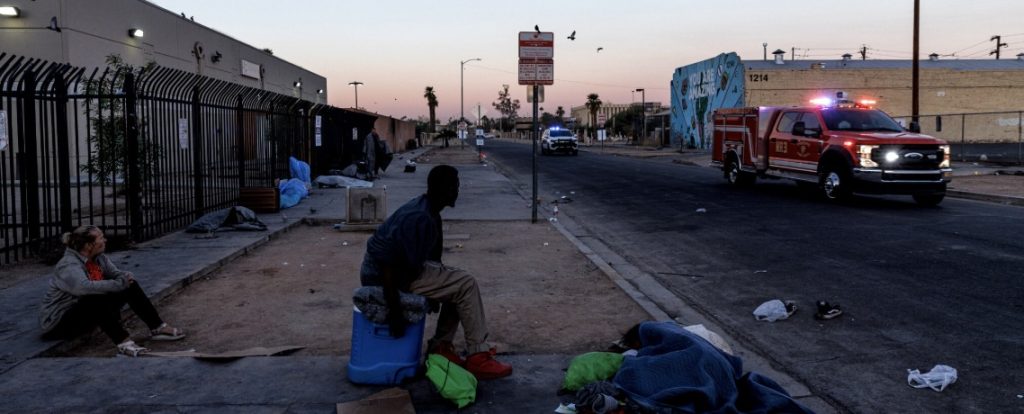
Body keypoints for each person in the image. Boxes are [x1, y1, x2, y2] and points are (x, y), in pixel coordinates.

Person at [360, 165, 513, 380]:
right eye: (455, 186)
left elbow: (434, 260)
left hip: (404, 270)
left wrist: (438, 288)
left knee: (456, 283)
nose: (458, 191)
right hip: (382, 275)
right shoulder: (419, 217)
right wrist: (395, 311)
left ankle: (441, 347)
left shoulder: (431, 212)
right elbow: (388, 266)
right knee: (466, 284)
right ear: (443, 188)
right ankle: (478, 357)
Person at [39, 225, 185, 357]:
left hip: (85, 313)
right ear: (89, 245)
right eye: (101, 238)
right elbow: (83, 288)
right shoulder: (68, 265)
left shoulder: (98, 257)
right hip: (59, 323)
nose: (105, 240)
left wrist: (126, 277)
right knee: (93, 298)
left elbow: (117, 274)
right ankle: (124, 343)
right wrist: (119, 283)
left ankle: (157, 327)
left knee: (130, 285)